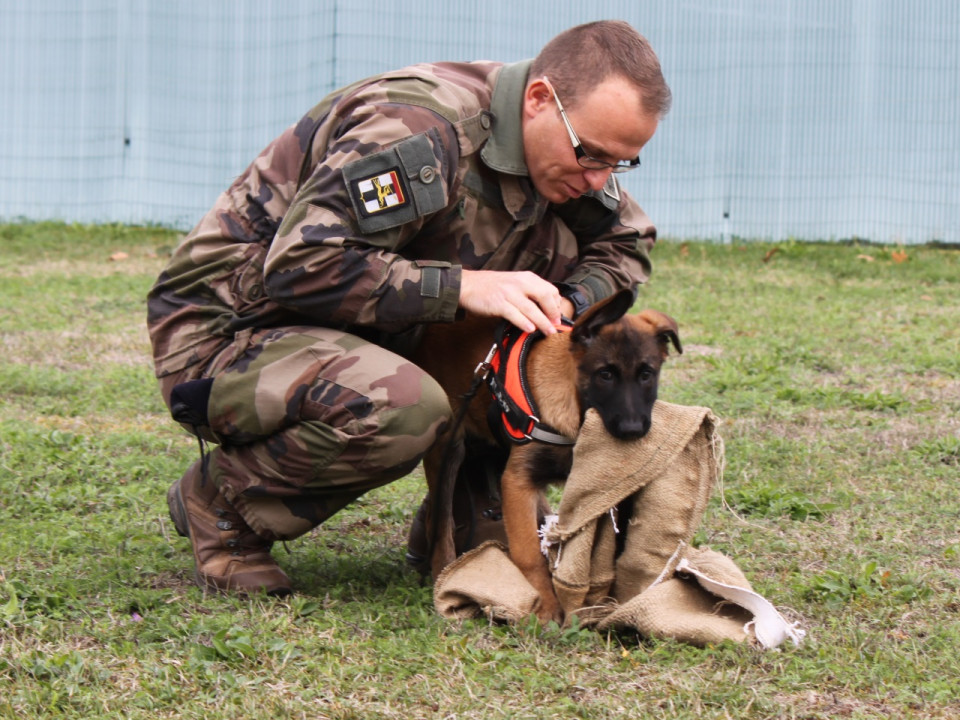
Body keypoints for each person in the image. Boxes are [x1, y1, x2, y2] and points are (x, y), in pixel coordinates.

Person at [147, 20, 672, 596]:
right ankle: (222, 501)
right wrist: (462, 287)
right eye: (590, 154)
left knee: (555, 267)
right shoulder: (419, 131)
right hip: (234, 331)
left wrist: (568, 307)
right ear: (540, 99)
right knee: (403, 405)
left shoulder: (565, 148)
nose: (598, 179)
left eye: (620, 164)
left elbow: (626, 242)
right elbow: (300, 264)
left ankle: (475, 496)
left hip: (371, 329)